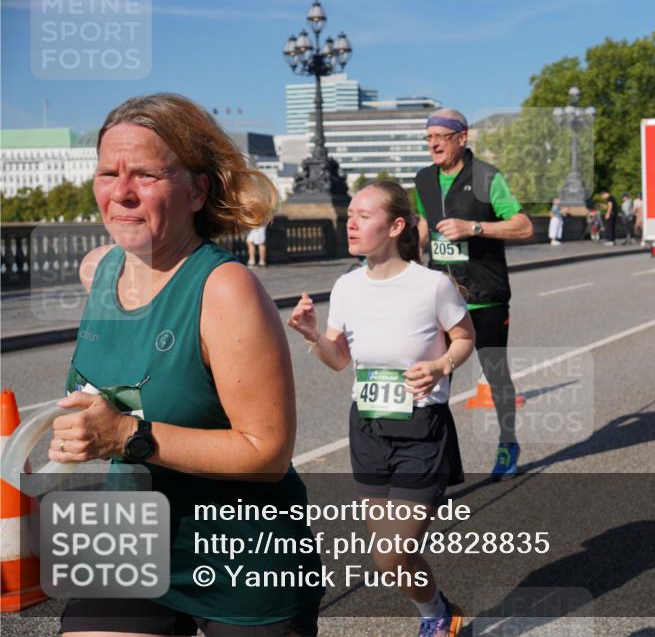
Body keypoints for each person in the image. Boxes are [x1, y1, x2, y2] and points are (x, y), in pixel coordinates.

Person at [53, 94, 323, 635]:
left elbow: (267, 453)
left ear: (198, 189)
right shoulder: (97, 270)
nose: (121, 192)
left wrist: (127, 435)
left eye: (146, 174)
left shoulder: (226, 290)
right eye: (108, 172)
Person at [288, 180, 475, 637]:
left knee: (389, 553)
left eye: (363, 215)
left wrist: (441, 365)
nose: (350, 223)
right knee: (392, 558)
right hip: (368, 429)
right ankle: (438, 611)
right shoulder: (347, 286)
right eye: (349, 214)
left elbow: (465, 337)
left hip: (421, 428)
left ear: (394, 226)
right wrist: (313, 336)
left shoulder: (431, 285)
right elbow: (339, 360)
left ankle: (435, 614)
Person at [414, 108, 534, 481]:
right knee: (436, 378)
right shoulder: (423, 179)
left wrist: (474, 227)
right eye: (428, 137)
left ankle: (507, 442)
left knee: (495, 373)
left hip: (486, 293)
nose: (433, 143)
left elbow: (523, 226)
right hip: (443, 295)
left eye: (440, 136)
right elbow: (423, 226)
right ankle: (438, 460)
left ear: (461, 138)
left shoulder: (486, 177)